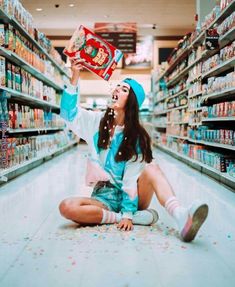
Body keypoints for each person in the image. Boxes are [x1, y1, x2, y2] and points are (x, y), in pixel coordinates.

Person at [59, 59, 209, 242]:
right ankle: (128, 218)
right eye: (117, 87)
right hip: (103, 198)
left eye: (124, 89)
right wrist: (75, 76)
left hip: (132, 196)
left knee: (151, 167)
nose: (117, 90)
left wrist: (128, 212)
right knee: (66, 207)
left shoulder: (136, 136)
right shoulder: (95, 122)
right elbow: (68, 114)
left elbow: (130, 177)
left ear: (131, 102)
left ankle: (180, 215)